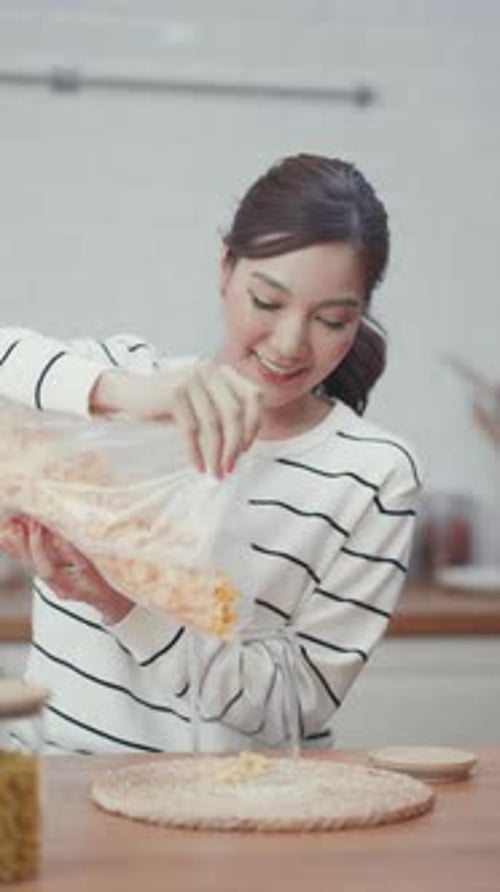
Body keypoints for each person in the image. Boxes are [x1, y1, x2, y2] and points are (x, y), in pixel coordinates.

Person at [0, 153, 420, 754]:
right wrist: (131, 395)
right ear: (226, 268)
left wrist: (119, 602)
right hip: (57, 778)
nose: (290, 344)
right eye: (268, 302)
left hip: (235, 795)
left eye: (331, 319)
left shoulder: (373, 473)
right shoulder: (122, 379)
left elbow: (295, 703)